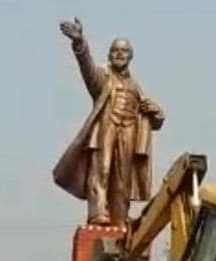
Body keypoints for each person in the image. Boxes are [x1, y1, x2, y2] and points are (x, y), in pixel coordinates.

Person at [53, 17, 165, 227]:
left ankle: (119, 218)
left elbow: (153, 117)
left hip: (129, 130)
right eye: (115, 50)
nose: (119, 54)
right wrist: (80, 43)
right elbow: (87, 70)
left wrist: (158, 113)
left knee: (123, 178)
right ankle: (98, 214)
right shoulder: (104, 77)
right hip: (106, 127)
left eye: (124, 51)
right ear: (109, 55)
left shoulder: (134, 85)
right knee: (101, 170)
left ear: (130, 56)